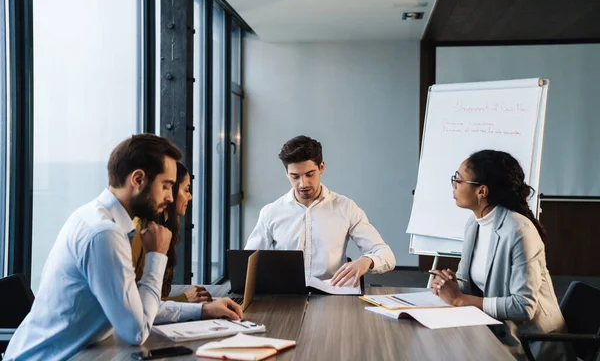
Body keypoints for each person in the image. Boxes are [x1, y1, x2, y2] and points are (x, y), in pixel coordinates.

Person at [4, 134, 242, 361]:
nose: (170, 197)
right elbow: (136, 331)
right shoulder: (104, 233)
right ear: (138, 180)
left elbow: (134, 309)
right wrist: (156, 256)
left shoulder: (98, 218)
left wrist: (202, 310)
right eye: (166, 186)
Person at [430, 150, 570, 360]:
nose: (454, 185)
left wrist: (460, 299)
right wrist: (449, 284)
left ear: (482, 191)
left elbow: (524, 306)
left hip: (533, 344)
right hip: (496, 331)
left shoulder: (518, 231)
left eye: (458, 180)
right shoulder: (474, 224)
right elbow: (468, 282)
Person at [245, 135, 395, 287]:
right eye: (295, 176)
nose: (303, 183)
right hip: (286, 295)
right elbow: (247, 262)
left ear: (321, 167)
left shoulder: (346, 208)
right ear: (286, 173)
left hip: (332, 295)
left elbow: (386, 255)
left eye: (309, 174)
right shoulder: (271, 212)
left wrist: (367, 260)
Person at [131, 161, 212, 324]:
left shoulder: (168, 227)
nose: (190, 196)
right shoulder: (137, 232)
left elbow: (158, 293)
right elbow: (133, 306)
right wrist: (184, 299)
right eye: (186, 190)